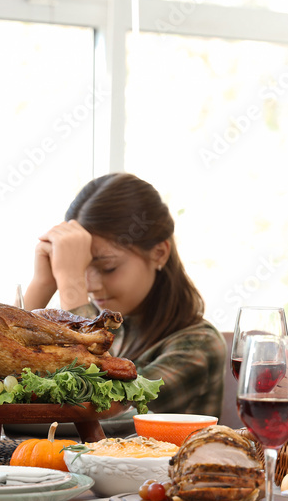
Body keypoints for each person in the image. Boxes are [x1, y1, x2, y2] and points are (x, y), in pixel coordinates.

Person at [23, 172, 225, 418]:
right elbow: (6, 376)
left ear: (159, 253)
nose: (90, 286)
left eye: (108, 267)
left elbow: (109, 406)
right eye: (82, 268)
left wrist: (71, 281)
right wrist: (43, 284)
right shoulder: (112, 326)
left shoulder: (198, 344)